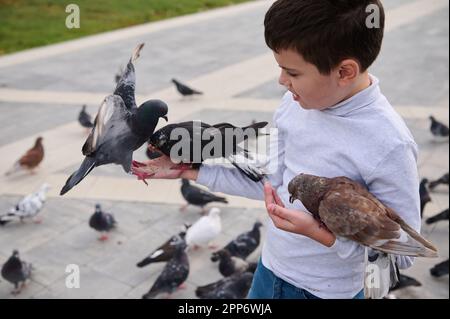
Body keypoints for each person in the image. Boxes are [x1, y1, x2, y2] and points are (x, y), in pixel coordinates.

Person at [132, 0, 421, 299]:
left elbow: (402, 254)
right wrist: (192, 170)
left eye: (293, 73)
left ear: (345, 71)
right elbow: (274, 183)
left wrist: (323, 235)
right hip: (269, 273)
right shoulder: (293, 106)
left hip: (327, 294)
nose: (282, 82)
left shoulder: (390, 144)